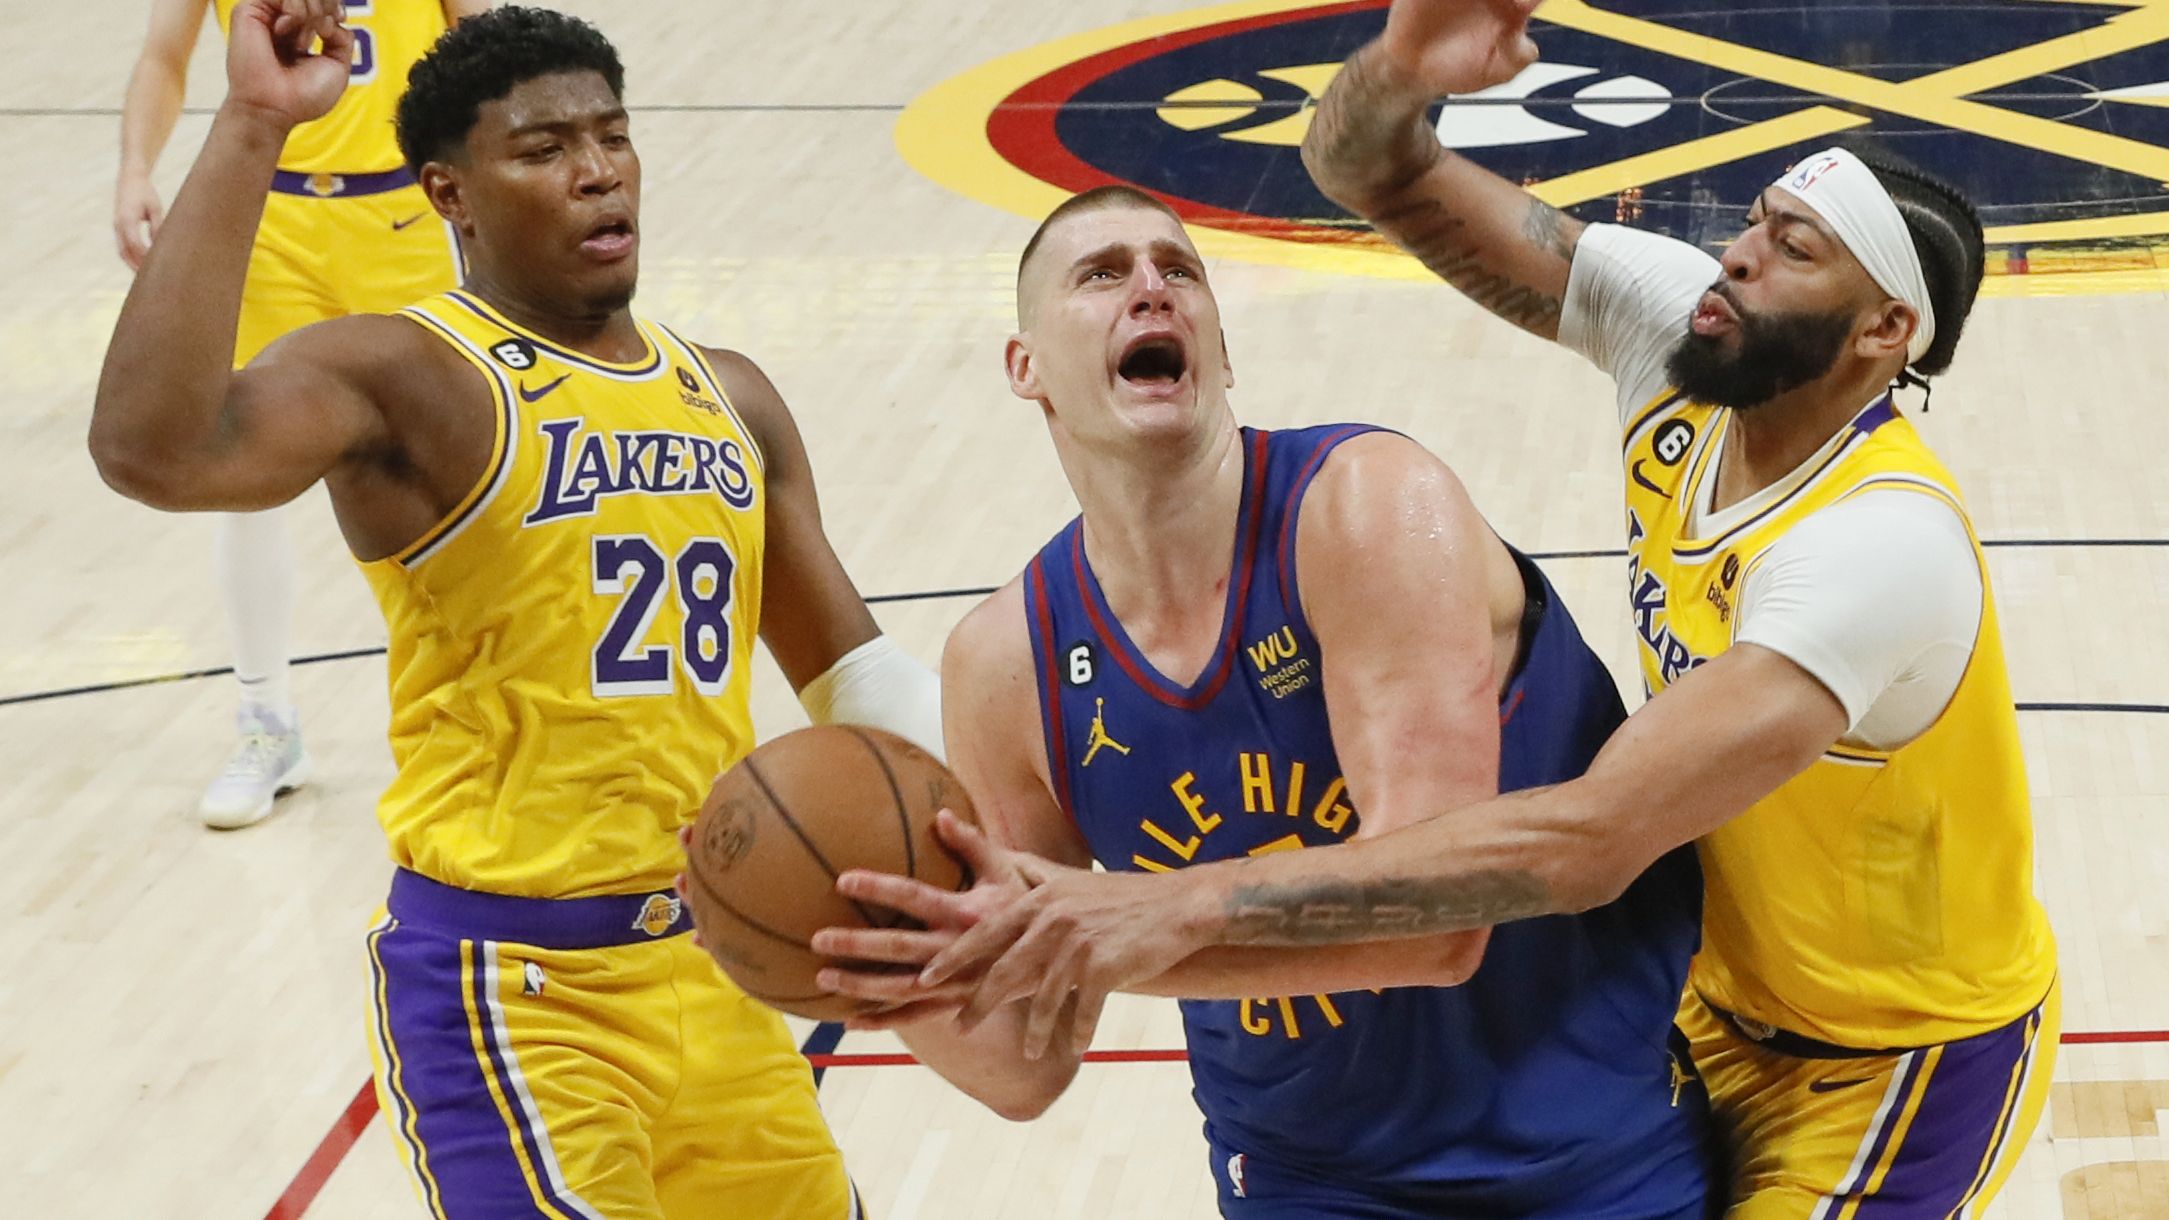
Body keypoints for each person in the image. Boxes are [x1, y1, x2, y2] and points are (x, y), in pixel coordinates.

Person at [887, 3, 2061, 1216]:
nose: (1740, 258)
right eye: (1756, 221)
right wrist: (1399, 71)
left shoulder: (1879, 546)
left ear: (1884, 332)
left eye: (1795, 251)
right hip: (1716, 1004)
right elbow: (1363, 167)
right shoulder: (1678, 326)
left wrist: (1159, 906)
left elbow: (1584, 842)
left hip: (1901, 1047)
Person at [91, 5, 942, 1215]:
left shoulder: (731, 395)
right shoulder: (406, 375)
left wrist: (1010, 840)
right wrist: (252, 124)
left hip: (722, 969)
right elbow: (151, 449)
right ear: (451, 194)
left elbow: (856, 679)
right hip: (513, 990)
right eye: (543, 150)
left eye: (612, 136)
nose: (596, 169)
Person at [814, 185, 1718, 1218]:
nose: (1152, 287)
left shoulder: (1368, 506)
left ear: (1222, 353)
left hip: (1590, 1152)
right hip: (1303, 1177)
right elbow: (1026, 1060)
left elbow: (1438, 927)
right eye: (1103, 273)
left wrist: (1129, 921)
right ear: (1026, 367)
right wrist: (881, 974)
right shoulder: (1004, 662)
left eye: (1180, 270)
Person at [115, 0, 485, 828]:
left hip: (401, 215)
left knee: (448, 483)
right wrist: (137, 167)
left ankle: (478, 719)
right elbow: (162, 57)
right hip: (270, 217)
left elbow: (480, 38)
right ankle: (265, 724)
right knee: (240, 480)